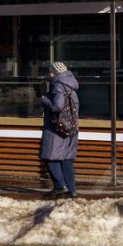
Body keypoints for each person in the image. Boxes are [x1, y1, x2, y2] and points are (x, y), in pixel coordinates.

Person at [40, 61, 79, 198]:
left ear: (56, 72)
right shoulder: (71, 85)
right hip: (71, 127)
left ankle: (59, 186)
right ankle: (72, 190)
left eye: (51, 71)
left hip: (57, 128)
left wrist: (44, 100)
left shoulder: (57, 86)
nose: (49, 74)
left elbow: (57, 106)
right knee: (66, 159)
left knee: (49, 156)